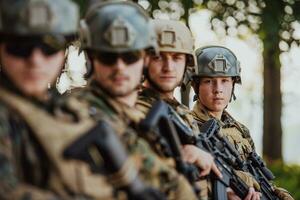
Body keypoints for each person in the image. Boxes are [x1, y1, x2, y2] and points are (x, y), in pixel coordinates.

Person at [71, 1, 198, 199]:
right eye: (108, 57)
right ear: (91, 58)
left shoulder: (137, 119)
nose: (120, 67)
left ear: (145, 58)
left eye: (130, 56)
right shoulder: (75, 113)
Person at [0, 0, 119, 199]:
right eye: (20, 47)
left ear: (63, 53)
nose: (35, 60)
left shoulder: (71, 109)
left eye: (50, 46)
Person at [190, 45, 294, 200]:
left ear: (233, 85)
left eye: (224, 81)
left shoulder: (240, 130)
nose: (218, 89)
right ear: (196, 86)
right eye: (209, 81)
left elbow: (260, 178)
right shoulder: (188, 125)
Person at [136, 19, 222, 199]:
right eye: (159, 57)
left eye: (176, 58)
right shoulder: (136, 110)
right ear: (144, 61)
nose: (168, 67)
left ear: (187, 64)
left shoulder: (181, 112)